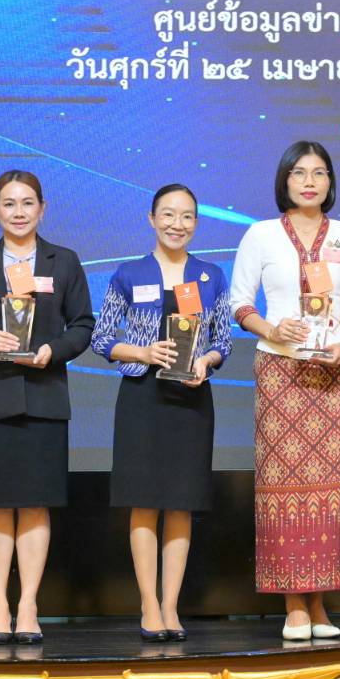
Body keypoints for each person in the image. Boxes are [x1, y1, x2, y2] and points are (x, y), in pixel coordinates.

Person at [230, 141, 340, 640]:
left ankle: (320, 603)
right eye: (299, 173)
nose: (309, 182)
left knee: (333, 486)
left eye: (319, 173)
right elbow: (239, 303)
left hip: (335, 371)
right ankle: (293, 603)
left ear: (330, 181)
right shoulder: (261, 234)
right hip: (281, 372)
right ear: (284, 180)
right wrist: (272, 330)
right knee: (283, 486)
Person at [0, 170, 94, 644]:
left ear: (42, 209)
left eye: (28, 203)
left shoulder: (63, 261)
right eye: (8, 204)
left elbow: (83, 325)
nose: (19, 212)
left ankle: (28, 604)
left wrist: (54, 350)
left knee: (34, 504)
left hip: (43, 397)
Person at [91, 184, 232, 642]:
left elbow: (223, 341)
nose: (177, 224)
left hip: (191, 400)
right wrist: (144, 352)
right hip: (142, 397)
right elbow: (101, 338)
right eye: (168, 215)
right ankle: (148, 603)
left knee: (182, 502)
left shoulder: (211, 276)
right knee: (144, 501)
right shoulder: (129, 274)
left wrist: (206, 362)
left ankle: (171, 605)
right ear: (151, 219)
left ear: (197, 223)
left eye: (187, 216)